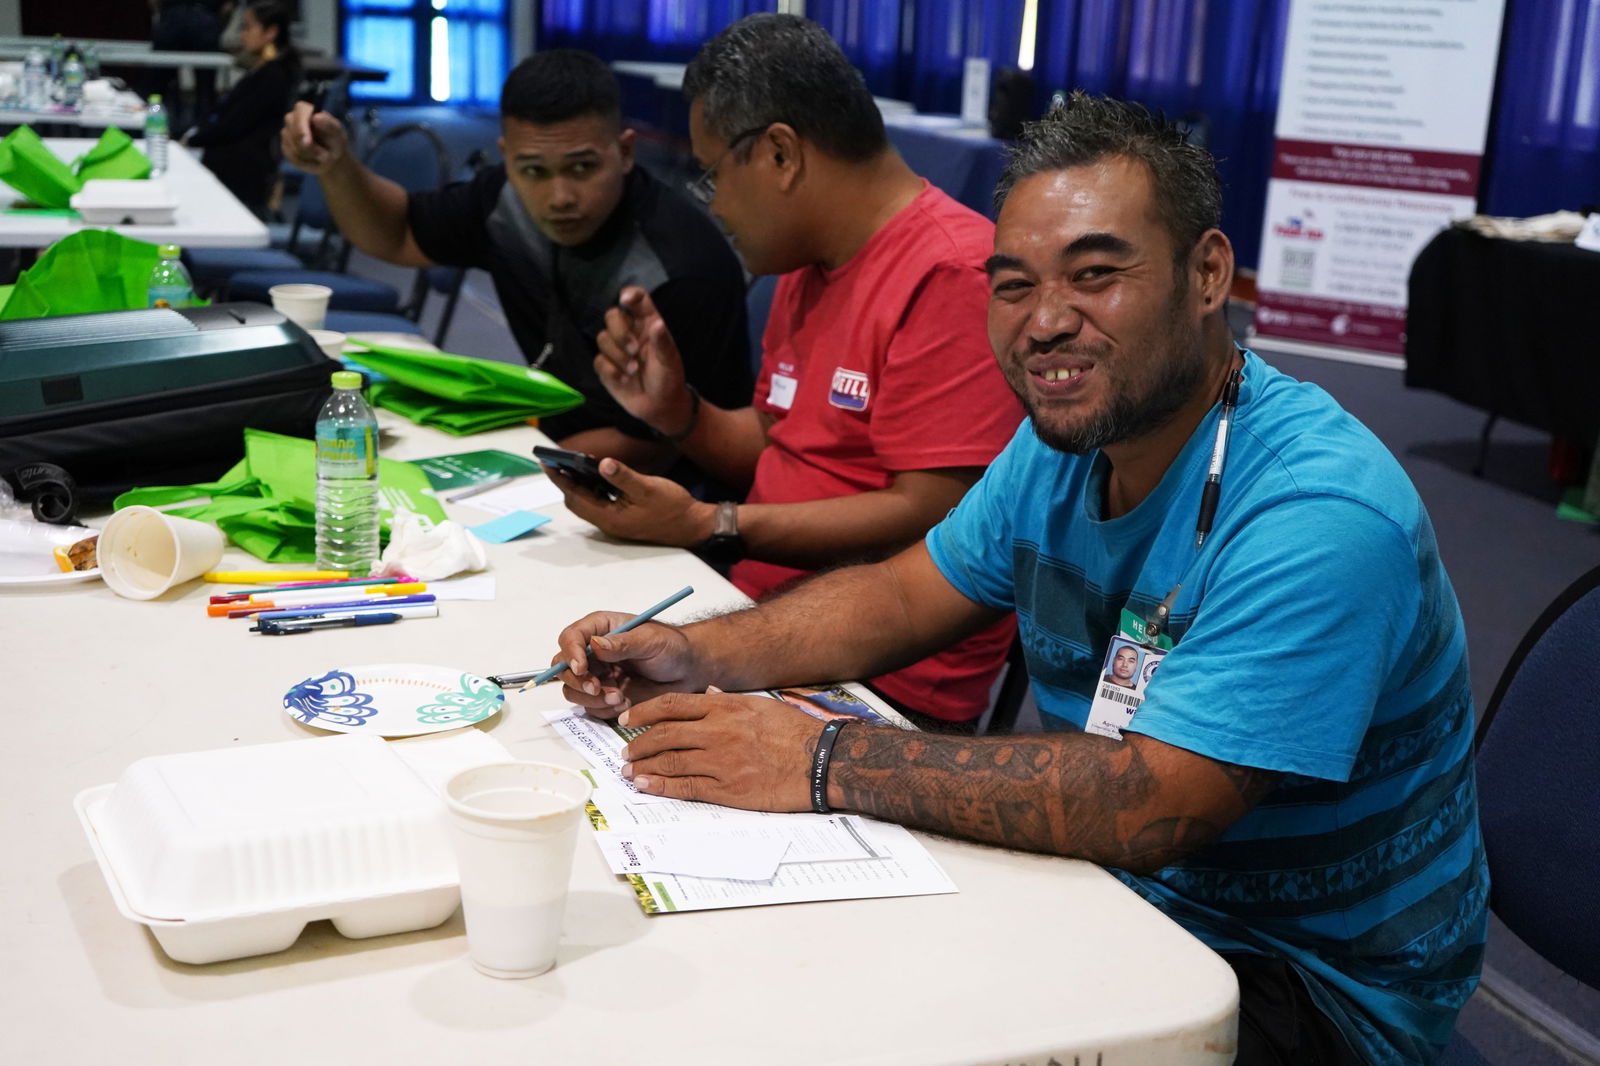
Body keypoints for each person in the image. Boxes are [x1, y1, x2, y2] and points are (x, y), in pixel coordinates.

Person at [550, 93, 1488, 1066]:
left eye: (1095, 275)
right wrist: (698, 651)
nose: (1043, 324)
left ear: (1207, 273)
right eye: (1012, 284)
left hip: (1303, 988)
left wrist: (820, 761)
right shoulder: (1070, 436)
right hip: (1115, 895)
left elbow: (1155, 800)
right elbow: (905, 593)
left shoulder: (1318, 514)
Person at [549, 15, 1023, 729]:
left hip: (882, 680)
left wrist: (715, 522)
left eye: (712, 173)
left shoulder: (953, 275)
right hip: (759, 625)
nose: (711, 201)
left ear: (779, 155)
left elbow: (933, 510)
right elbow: (781, 447)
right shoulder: (806, 264)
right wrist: (679, 412)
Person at [280, 50, 751, 469]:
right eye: (533, 171)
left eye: (582, 168)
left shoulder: (683, 269)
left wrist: (507, 466)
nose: (559, 197)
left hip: (661, 492)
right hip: (549, 436)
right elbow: (399, 232)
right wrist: (336, 166)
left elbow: (657, 444)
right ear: (506, 159)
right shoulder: (503, 202)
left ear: (625, 151)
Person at [183, 0, 298, 216]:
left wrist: (191, 140)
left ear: (271, 32)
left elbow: (232, 125)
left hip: (243, 170)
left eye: (247, 27)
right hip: (235, 159)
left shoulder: (273, 77)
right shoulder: (262, 71)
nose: (242, 35)